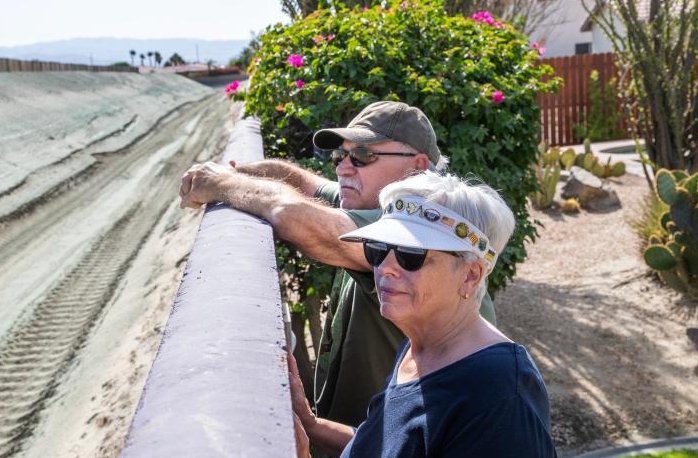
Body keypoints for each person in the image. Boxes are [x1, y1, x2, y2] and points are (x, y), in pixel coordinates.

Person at [288, 170, 583, 458]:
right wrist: (312, 425)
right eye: (378, 248)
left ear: (471, 276)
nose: (385, 268)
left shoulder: (500, 395)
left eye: (411, 255)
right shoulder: (419, 347)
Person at [179, 101, 496, 428]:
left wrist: (222, 184)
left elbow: (299, 218)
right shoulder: (376, 200)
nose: (343, 168)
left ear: (416, 167)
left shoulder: (413, 229)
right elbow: (302, 182)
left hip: (407, 456)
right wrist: (238, 172)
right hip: (371, 441)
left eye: (362, 157)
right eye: (339, 156)